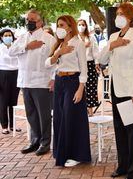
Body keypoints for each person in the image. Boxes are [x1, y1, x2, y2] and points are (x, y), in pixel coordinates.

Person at [98, 2, 133, 179]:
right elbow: (101, 58)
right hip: (116, 88)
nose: (117, 16)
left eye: (121, 14)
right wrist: (113, 45)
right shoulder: (113, 36)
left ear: (131, 17)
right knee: (120, 130)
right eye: (117, 13)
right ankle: (123, 166)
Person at [45, 15, 91, 167]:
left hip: (73, 82)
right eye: (58, 25)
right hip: (59, 82)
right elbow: (47, 63)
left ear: (70, 27)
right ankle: (61, 153)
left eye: (62, 25)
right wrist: (59, 53)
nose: (59, 28)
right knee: (59, 117)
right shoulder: (59, 45)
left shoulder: (78, 43)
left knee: (71, 117)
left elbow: (84, 69)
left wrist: (80, 89)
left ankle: (76, 154)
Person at [9, 9, 55, 156]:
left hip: (41, 82)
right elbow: (11, 52)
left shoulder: (49, 38)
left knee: (44, 114)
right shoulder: (22, 37)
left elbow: (55, 61)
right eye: (27, 20)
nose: (28, 22)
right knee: (31, 114)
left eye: (32, 20)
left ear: (40, 22)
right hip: (25, 81)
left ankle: (45, 143)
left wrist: (53, 78)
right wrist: (27, 47)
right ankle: (34, 141)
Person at [78, 19, 100, 116]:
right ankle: (81, 110)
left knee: (91, 86)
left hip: (90, 64)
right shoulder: (74, 38)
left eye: (83, 24)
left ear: (86, 26)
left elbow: (95, 51)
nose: (81, 26)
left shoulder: (91, 38)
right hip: (77, 65)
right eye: (79, 24)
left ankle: (90, 111)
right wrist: (84, 46)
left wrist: (97, 63)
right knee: (79, 87)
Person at [0, 29, 20, 134]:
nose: (8, 37)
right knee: (3, 101)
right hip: (3, 75)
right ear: (1, 37)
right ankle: (4, 126)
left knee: (13, 102)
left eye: (9, 35)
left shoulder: (15, 48)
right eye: (5, 35)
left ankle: (13, 125)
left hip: (15, 74)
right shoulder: (0, 48)